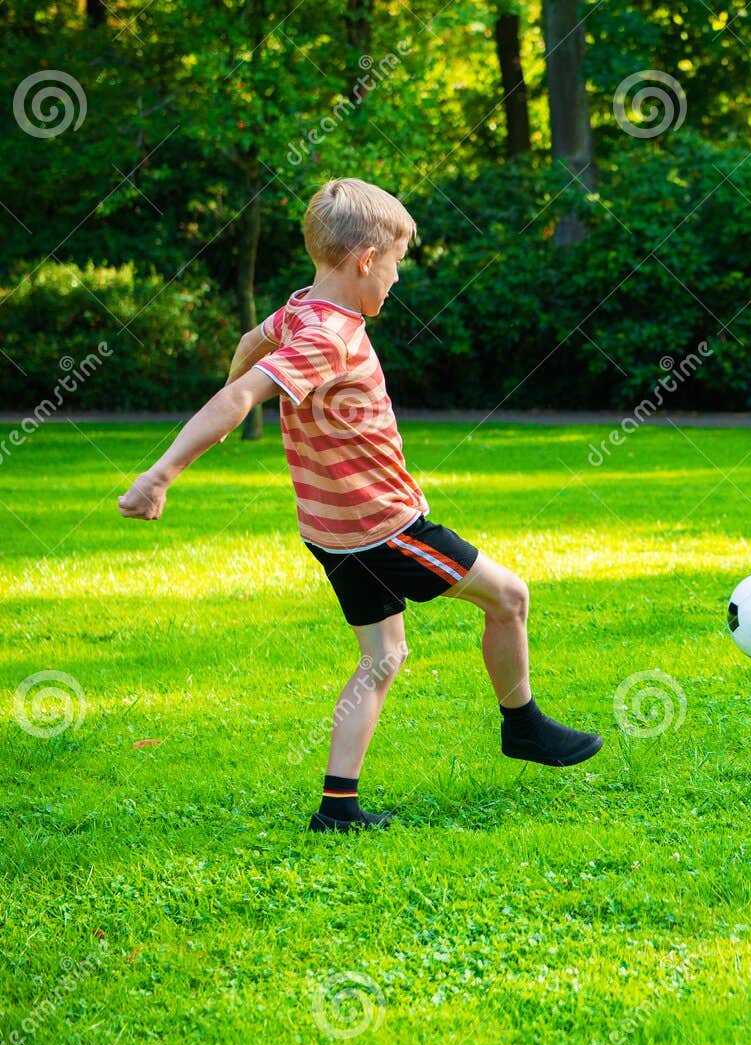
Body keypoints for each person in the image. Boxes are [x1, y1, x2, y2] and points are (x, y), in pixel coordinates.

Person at [117, 177, 603, 832]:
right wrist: (162, 472)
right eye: (397, 264)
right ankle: (523, 725)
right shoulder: (328, 338)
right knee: (510, 598)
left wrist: (231, 390)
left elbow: (250, 346)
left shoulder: (297, 312)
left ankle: (338, 808)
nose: (397, 281)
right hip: (384, 528)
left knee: (382, 657)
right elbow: (244, 392)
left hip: (331, 534)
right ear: (366, 259)